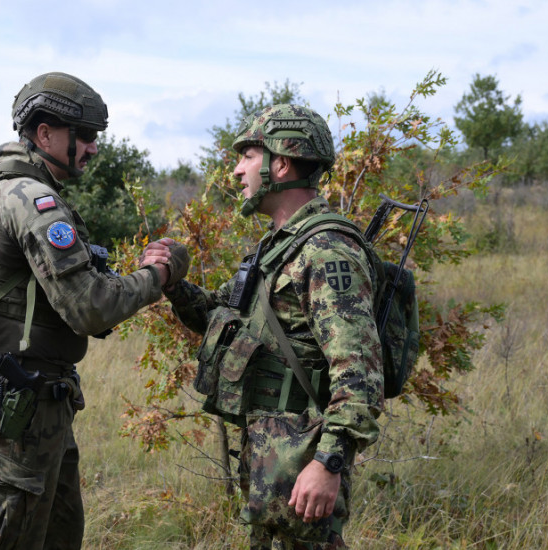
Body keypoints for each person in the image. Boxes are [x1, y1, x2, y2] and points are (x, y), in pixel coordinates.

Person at [141, 104, 384, 549]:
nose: (236, 171)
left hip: (305, 461)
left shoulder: (327, 251)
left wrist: (329, 462)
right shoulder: (276, 247)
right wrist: (173, 282)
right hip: (270, 458)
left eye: (247, 157)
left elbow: (360, 376)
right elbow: (221, 319)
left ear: (281, 162)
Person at [0, 72, 186, 550]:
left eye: (95, 136)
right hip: (19, 406)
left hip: (33, 401)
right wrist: (159, 277)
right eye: (83, 135)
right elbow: (89, 308)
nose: (92, 147)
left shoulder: (2, 188)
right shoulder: (30, 199)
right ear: (44, 133)